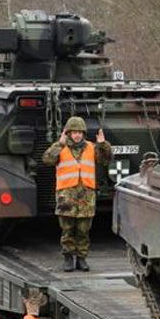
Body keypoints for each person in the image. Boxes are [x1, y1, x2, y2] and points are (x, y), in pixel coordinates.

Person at [42, 116, 111, 272]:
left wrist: (103, 144)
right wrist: (59, 144)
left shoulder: (92, 148)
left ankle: (81, 258)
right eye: (74, 132)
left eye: (80, 132)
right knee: (67, 230)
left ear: (84, 133)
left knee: (83, 230)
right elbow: (47, 159)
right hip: (66, 196)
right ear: (68, 133)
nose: (77, 135)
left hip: (86, 196)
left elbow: (106, 160)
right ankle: (68, 257)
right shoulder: (61, 148)